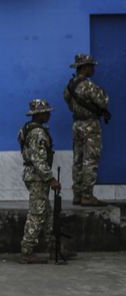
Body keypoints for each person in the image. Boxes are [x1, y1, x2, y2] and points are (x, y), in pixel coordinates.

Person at [63, 53, 110, 206]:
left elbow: (69, 104)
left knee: (78, 160)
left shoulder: (69, 86)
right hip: (90, 125)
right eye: (91, 66)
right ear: (84, 68)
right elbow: (104, 102)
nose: (93, 69)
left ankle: (77, 195)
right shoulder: (88, 86)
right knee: (90, 160)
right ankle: (87, 196)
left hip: (77, 124)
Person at [18, 99, 61, 264]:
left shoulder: (28, 128)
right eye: (47, 112)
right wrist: (51, 179)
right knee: (37, 213)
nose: (49, 114)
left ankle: (54, 247)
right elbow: (37, 159)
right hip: (38, 177)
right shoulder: (38, 133)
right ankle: (27, 251)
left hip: (35, 176)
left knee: (48, 212)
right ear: (40, 114)